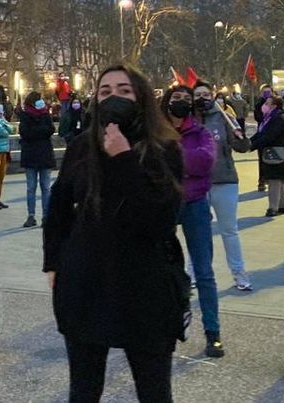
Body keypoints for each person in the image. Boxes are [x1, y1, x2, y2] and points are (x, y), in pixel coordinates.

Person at [43, 65, 185, 402]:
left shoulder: (164, 148)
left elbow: (159, 218)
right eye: (105, 92)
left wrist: (122, 158)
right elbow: (59, 209)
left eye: (124, 90)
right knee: (84, 389)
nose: (114, 98)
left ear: (141, 98)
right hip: (87, 281)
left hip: (145, 285)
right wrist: (53, 263)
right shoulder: (81, 147)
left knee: (153, 390)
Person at [162, 85, 223, 358]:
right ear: (167, 101)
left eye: (187, 100)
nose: (182, 103)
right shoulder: (156, 131)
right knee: (160, 266)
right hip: (164, 203)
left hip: (196, 203)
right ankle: (162, 324)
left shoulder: (201, 132)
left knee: (205, 271)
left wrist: (172, 158)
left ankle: (213, 332)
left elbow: (205, 162)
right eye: (177, 98)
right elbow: (149, 162)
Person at [192, 81, 254, 291]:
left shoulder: (223, 117)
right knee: (198, 231)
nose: (202, 98)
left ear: (213, 96)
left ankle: (239, 275)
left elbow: (242, 147)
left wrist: (241, 137)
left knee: (229, 231)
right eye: (198, 94)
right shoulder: (188, 121)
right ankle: (193, 274)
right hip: (197, 184)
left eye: (206, 94)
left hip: (224, 180)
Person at [250, 94, 284, 217]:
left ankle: (272, 207)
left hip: (276, 152)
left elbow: (269, 136)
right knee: (278, 179)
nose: (264, 106)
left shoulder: (278, 118)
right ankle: (282, 205)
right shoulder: (269, 118)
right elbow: (260, 133)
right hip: (272, 152)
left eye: (267, 103)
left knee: (274, 179)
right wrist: (249, 142)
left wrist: (252, 145)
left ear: (274, 105)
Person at [19, 91, 56, 228]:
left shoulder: (46, 114)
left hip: (44, 155)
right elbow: (25, 133)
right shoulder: (25, 115)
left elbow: (51, 129)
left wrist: (37, 131)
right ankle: (31, 215)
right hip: (31, 155)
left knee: (46, 187)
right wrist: (42, 131)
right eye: (39, 99)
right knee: (31, 188)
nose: (42, 101)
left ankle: (46, 216)